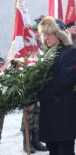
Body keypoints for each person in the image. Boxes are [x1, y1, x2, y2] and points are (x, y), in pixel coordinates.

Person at [38, 16, 76, 155]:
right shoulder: (47, 54)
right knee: (53, 149)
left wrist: (41, 92)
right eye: (44, 34)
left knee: (65, 150)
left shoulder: (71, 52)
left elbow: (65, 79)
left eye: (49, 33)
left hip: (65, 111)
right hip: (49, 111)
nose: (46, 38)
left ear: (59, 34)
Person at [19, 16, 48, 154]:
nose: (37, 34)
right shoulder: (26, 46)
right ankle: (27, 142)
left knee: (38, 114)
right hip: (29, 86)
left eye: (39, 32)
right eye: (35, 32)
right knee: (28, 115)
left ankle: (36, 140)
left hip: (40, 86)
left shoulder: (42, 45)